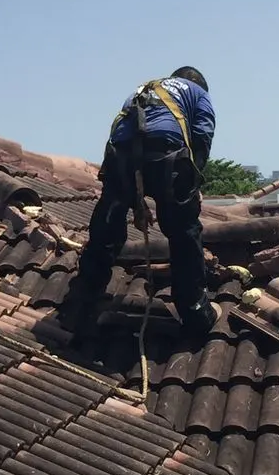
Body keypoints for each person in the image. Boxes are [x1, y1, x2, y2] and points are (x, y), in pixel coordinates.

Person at [71, 66, 222, 337]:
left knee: (108, 226)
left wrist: (134, 201)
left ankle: (81, 301)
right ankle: (195, 310)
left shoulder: (144, 88)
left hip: (120, 157)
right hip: (166, 156)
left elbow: (131, 135)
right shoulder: (199, 93)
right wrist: (192, 184)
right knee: (183, 230)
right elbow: (201, 138)